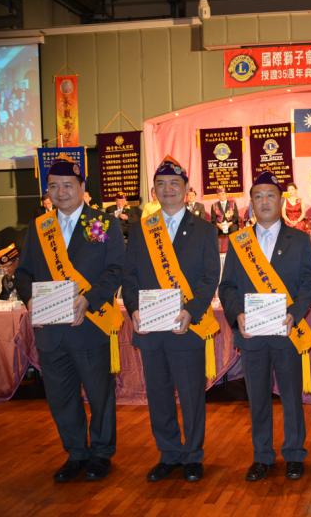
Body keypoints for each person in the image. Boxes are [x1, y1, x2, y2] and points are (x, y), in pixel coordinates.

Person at [15, 157, 125, 482]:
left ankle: (101, 454)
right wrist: (30, 298)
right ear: (47, 191)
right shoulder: (39, 227)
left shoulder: (103, 223)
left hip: (90, 325)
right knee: (61, 397)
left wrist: (89, 299)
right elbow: (23, 273)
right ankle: (76, 453)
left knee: (99, 395)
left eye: (67, 185)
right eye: (54, 186)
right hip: (51, 332)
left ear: (81, 187)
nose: (61, 192)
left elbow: (116, 270)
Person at [122, 156, 220, 483]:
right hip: (151, 328)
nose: (168, 190)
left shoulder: (204, 230)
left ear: (187, 189)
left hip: (186, 326)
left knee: (191, 395)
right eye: (161, 185)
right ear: (153, 191)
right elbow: (129, 275)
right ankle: (168, 454)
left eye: (174, 184)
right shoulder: (141, 230)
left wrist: (191, 310)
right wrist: (134, 308)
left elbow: (209, 277)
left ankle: (192, 455)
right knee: (159, 394)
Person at [218, 171, 311, 482]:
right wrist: (237, 314)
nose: (264, 201)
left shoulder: (299, 240)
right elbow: (227, 287)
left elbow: (309, 284)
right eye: (258, 196)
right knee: (257, 398)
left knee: (291, 397)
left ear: (281, 200)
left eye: (270, 195)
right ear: (251, 203)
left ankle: (295, 454)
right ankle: (262, 456)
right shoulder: (239, 242)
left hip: (286, 332)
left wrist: (295, 314)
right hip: (253, 335)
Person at [211, 187, 239, 252]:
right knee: (213, 230)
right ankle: (216, 251)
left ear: (226, 194)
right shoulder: (214, 205)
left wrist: (229, 224)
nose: (221, 196)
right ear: (217, 196)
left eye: (223, 194)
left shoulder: (233, 204)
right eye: (219, 194)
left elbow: (236, 217)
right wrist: (219, 225)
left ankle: (234, 250)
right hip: (219, 225)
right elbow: (213, 219)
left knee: (234, 228)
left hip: (230, 224)